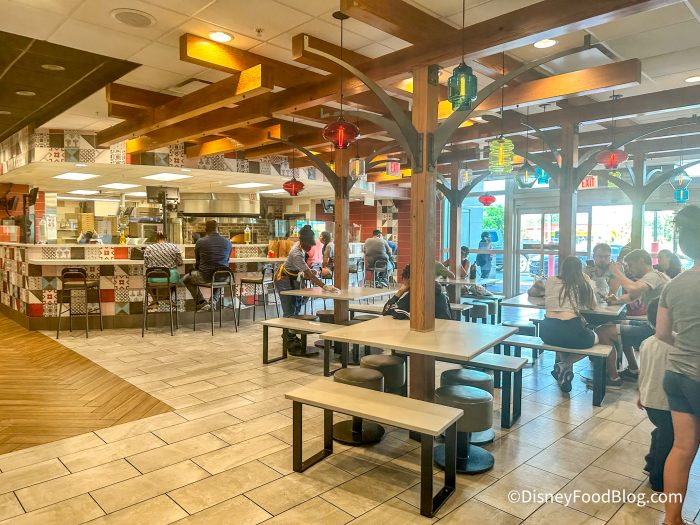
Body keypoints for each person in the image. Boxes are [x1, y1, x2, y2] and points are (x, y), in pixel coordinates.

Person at [656, 205, 700, 525]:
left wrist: (686, 346)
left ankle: (672, 519)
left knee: (682, 448)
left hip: (676, 374)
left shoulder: (674, 284)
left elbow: (661, 333)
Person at [539, 256, 620, 392]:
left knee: (561, 340)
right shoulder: (582, 282)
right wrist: (586, 279)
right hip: (571, 330)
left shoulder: (551, 280)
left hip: (547, 331)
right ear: (579, 270)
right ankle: (565, 365)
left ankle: (564, 372)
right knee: (597, 339)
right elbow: (593, 306)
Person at [598, 249, 670, 380]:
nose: (629, 269)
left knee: (602, 331)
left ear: (641, 261)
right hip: (656, 326)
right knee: (615, 323)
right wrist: (616, 300)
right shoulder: (656, 276)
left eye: (630, 265)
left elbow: (633, 288)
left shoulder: (653, 276)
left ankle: (613, 378)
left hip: (656, 331)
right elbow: (632, 296)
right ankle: (633, 369)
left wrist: (616, 272)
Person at [274, 225, 339, 353]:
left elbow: (305, 272)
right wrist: (325, 286)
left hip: (294, 278)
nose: (310, 248)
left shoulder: (300, 246)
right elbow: (309, 275)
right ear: (302, 241)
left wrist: (307, 273)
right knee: (289, 310)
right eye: (309, 245)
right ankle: (288, 338)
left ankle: (291, 334)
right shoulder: (296, 253)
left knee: (297, 307)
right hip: (284, 280)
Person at [636, 298, 673, 493]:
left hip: (649, 400)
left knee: (662, 431)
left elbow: (643, 371)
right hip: (665, 402)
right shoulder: (675, 344)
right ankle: (658, 479)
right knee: (669, 438)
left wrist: (640, 394)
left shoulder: (647, 342)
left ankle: (650, 463)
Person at [183, 220, 232, 311]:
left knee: (186, 279)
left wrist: (196, 269)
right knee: (219, 277)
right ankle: (213, 302)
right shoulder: (228, 242)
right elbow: (227, 260)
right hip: (224, 276)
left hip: (205, 276)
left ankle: (201, 302)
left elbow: (198, 261)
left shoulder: (200, 242)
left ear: (206, 229)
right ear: (218, 229)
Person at [382, 264, 452, 320]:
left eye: (405, 280)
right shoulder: (437, 292)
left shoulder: (417, 295)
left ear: (409, 280)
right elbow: (387, 311)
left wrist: (401, 291)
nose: (403, 283)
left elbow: (386, 311)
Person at [143, 232, 183, 311]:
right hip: (170, 277)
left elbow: (146, 265)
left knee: (147, 284)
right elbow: (180, 263)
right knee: (174, 282)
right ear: (166, 239)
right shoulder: (173, 247)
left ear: (156, 239)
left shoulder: (149, 248)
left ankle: (155, 301)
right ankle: (167, 298)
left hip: (153, 277)